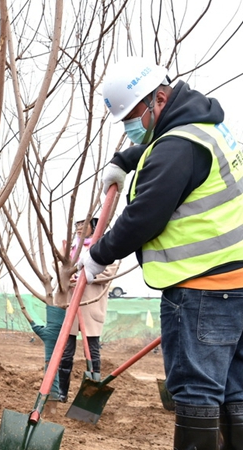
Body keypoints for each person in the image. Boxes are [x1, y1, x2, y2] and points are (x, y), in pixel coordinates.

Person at [81, 56, 243, 449]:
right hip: (235, 286)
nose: (130, 128)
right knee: (235, 390)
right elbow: (167, 151)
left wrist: (98, 254)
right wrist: (126, 160)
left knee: (196, 393)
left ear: (160, 98)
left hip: (202, 287)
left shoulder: (177, 148)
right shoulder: (208, 127)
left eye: (132, 117)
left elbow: (143, 217)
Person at [57, 217, 118, 403]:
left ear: (94, 227)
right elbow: (58, 265)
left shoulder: (103, 247)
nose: (79, 229)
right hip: (71, 306)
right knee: (66, 352)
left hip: (91, 304)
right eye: (77, 225)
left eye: (84, 225)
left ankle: (92, 394)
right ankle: (61, 392)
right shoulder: (69, 247)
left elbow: (109, 271)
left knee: (92, 351)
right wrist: (69, 274)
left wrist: (86, 274)